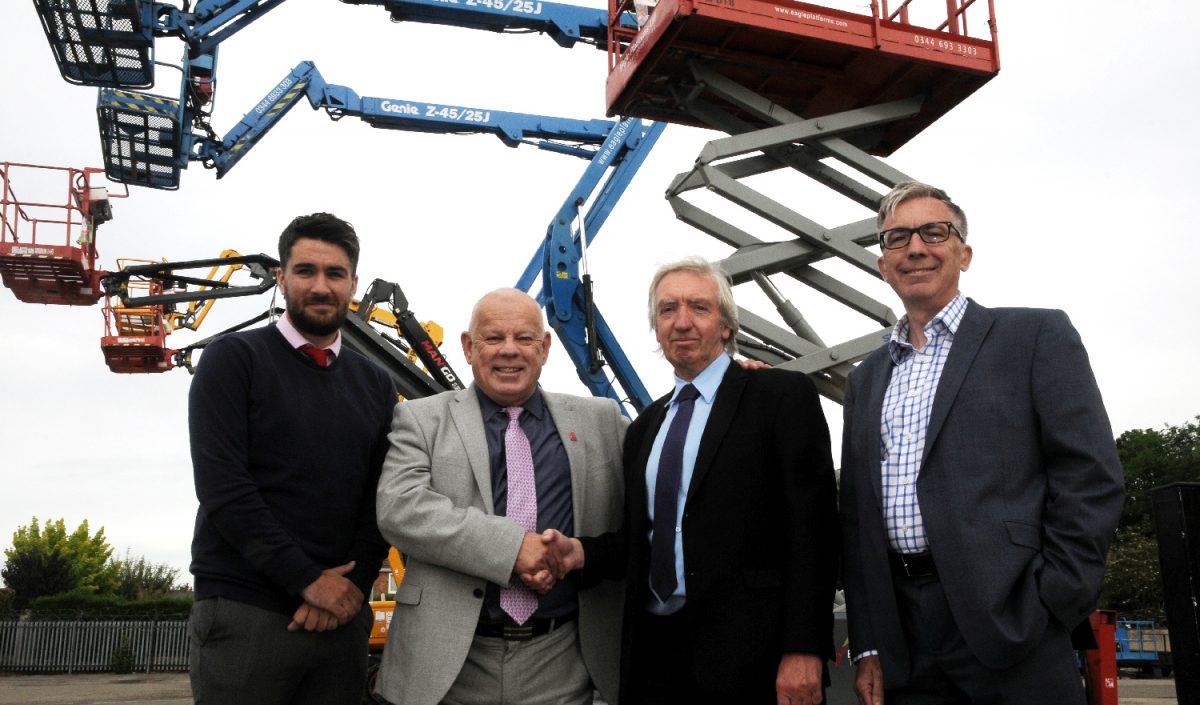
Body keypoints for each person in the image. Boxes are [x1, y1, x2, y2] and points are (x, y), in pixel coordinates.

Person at [839, 182, 1125, 705]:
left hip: (1012, 624)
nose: (916, 248)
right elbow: (856, 519)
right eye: (897, 238)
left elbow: (1090, 477)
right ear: (883, 264)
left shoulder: (1034, 337)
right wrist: (870, 643)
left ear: (963, 254)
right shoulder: (865, 379)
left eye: (934, 232)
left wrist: (1052, 600)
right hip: (904, 638)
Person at [560, 257, 839, 705]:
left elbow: (815, 532)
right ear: (656, 328)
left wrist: (804, 648)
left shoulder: (780, 398)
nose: (682, 322)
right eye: (668, 310)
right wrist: (576, 552)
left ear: (727, 326)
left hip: (756, 663)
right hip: (656, 659)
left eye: (699, 308)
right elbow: (640, 542)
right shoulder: (645, 428)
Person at [373, 287, 627, 705]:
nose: (509, 351)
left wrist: (736, 382)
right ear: (469, 347)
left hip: (563, 660)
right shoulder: (420, 418)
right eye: (493, 338)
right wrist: (513, 550)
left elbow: (665, 458)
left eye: (524, 338)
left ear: (545, 348)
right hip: (448, 665)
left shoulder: (601, 420)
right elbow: (401, 508)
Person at [187, 213, 397, 705]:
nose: (320, 286)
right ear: (281, 279)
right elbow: (224, 487)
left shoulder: (376, 384)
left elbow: (381, 496)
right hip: (247, 611)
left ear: (353, 284)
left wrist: (351, 590)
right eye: (305, 271)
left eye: (335, 273)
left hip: (342, 616)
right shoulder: (232, 360)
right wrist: (306, 580)